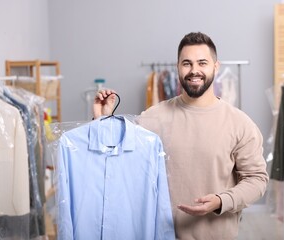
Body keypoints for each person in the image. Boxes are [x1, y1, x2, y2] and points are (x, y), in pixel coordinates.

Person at [93, 32, 269, 239]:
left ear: (216, 66)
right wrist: (102, 121)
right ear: (178, 67)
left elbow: (256, 180)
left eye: (202, 63)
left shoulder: (240, 124)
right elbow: (117, 162)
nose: (194, 70)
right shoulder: (152, 117)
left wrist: (222, 201)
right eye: (187, 63)